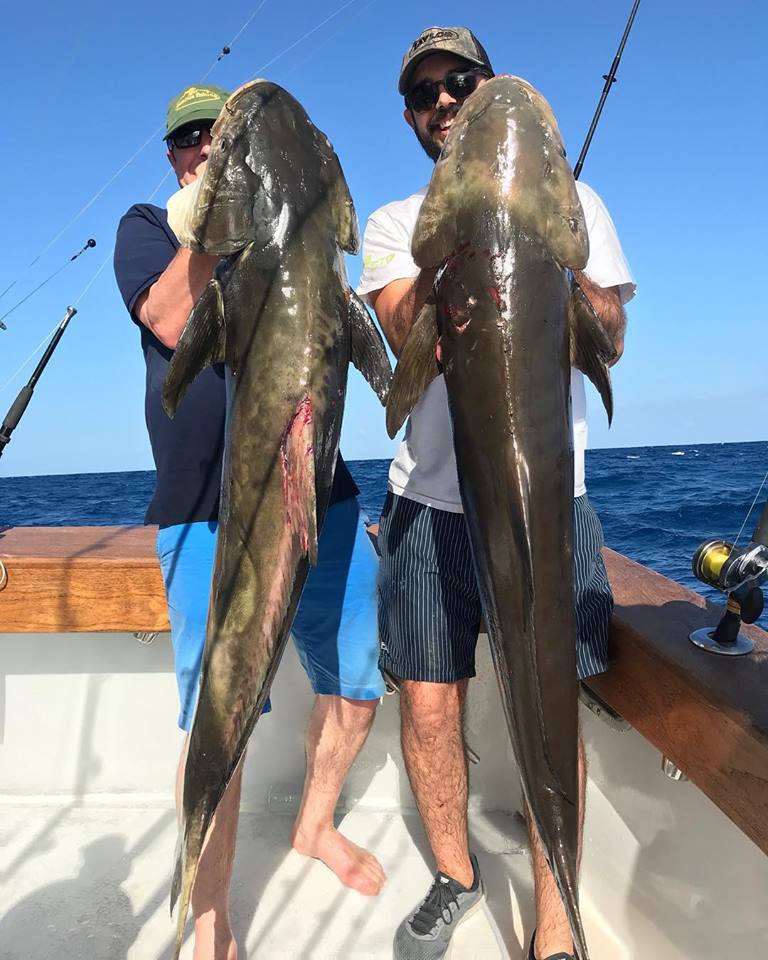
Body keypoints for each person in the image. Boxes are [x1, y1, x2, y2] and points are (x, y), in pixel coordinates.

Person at [357, 27, 636, 960]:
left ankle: (556, 916)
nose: (443, 101)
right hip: (428, 503)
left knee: (549, 683)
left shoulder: (578, 197)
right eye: (425, 92)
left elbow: (613, 334)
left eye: (459, 83)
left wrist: (559, 257)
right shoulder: (399, 222)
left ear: (482, 89)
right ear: (410, 115)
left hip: (551, 499)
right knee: (430, 702)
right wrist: (458, 245)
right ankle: (456, 874)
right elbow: (402, 331)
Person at [113, 83, 386, 960]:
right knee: (222, 711)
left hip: (325, 492)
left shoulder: (299, 224)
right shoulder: (149, 228)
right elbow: (166, 314)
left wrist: (298, 209)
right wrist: (219, 213)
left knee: (357, 678)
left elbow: (355, 335)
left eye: (217, 139)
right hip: (203, 509)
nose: (205, 148)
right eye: (194, 139)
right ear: (176, 154)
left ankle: (312, 824)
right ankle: (211, 917)